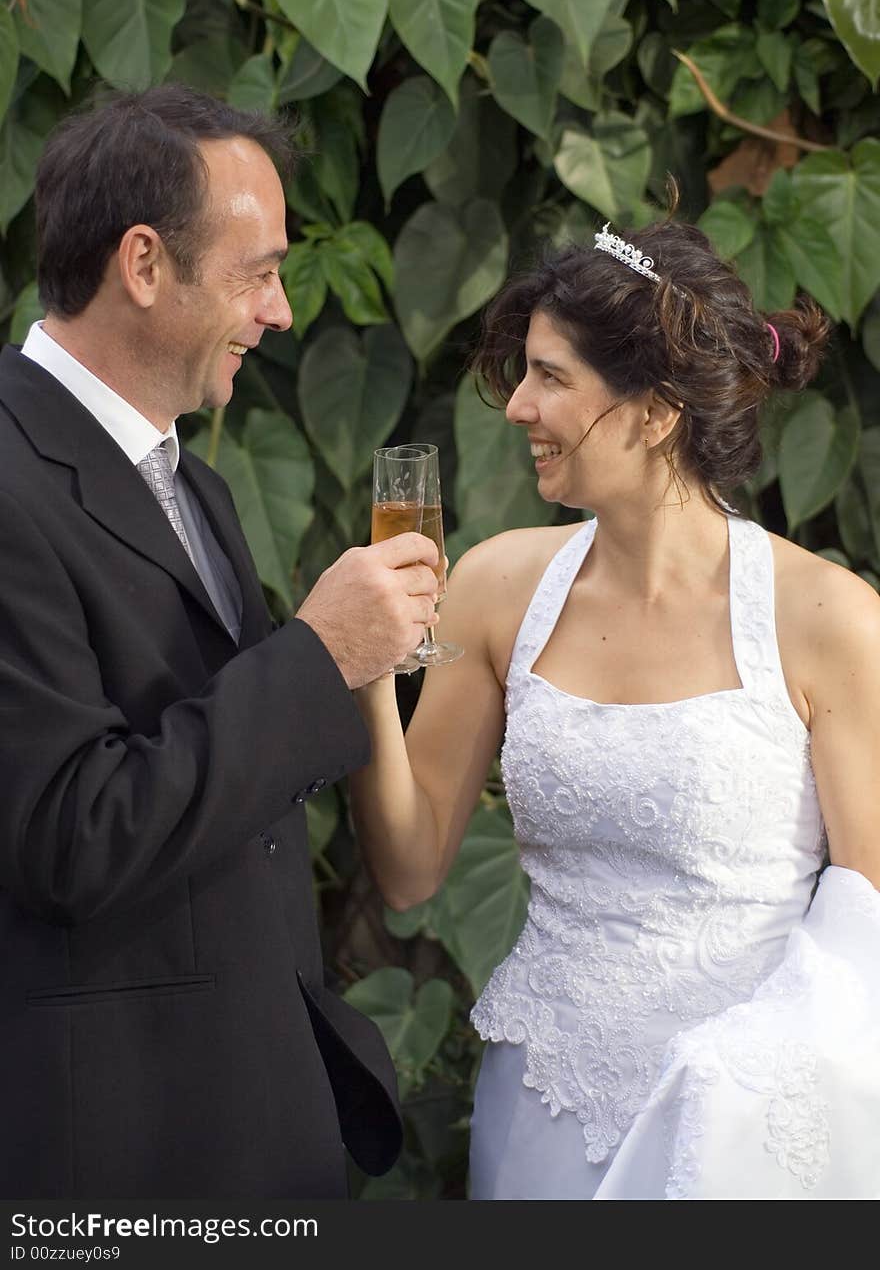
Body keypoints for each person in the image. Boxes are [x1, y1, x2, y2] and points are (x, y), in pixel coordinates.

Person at [348, 216, 880, 1199]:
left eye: (549, 376)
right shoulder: (497, 584)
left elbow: (871, 920)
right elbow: (412, 867)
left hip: (746, 1132)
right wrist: (368, 670)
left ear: (655, 409)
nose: (516, 406)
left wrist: (746, 1085)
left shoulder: (830, 620)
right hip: (537, 1110)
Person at [0, 84, 440, 1198]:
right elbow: (67, 831)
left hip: (243, 1118)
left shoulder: (191, 477)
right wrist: (313, 654)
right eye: (258, 272)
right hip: (114, 1146)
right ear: (143, 263)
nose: (282, 311)